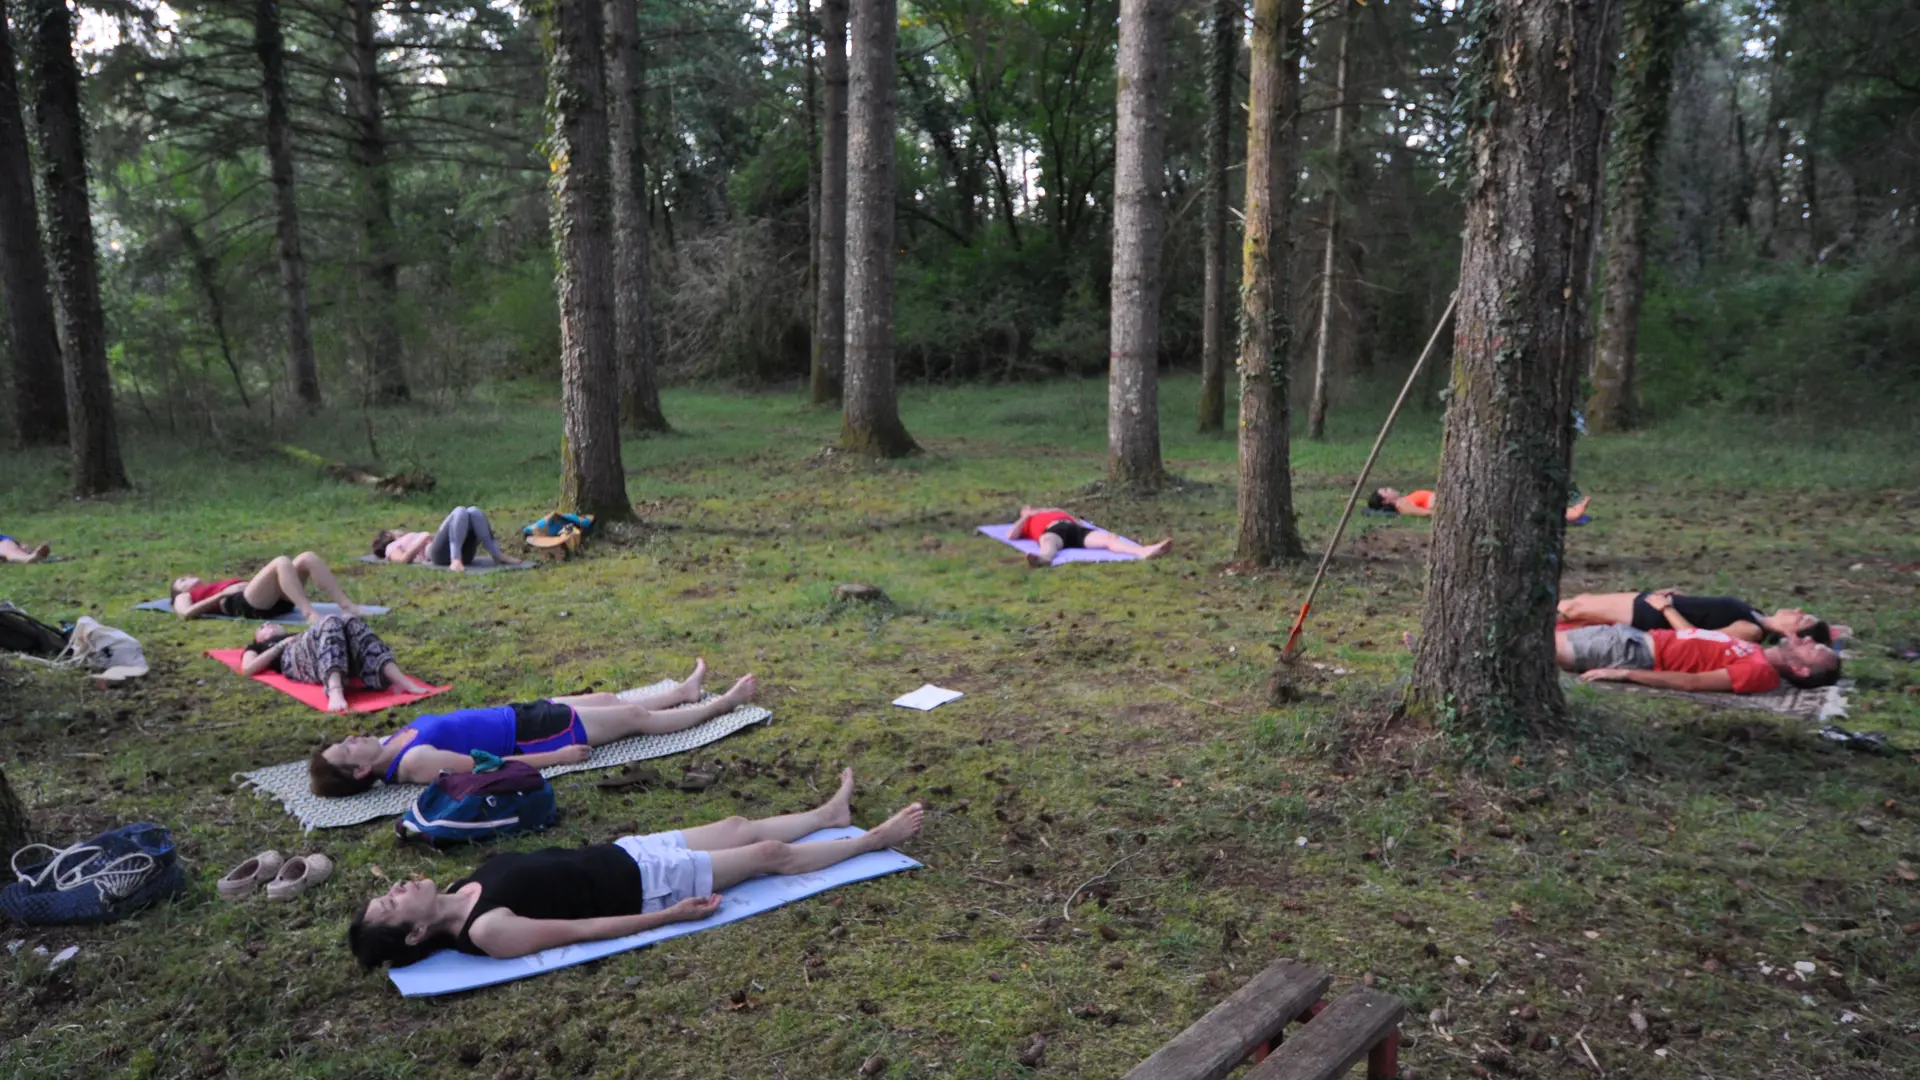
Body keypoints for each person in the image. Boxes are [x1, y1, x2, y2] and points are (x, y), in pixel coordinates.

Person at [346, 769, 922, 969]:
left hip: (627, 851)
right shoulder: (487, 931)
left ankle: (830, 813)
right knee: (769, 858)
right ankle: (872, 842)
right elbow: (585, 932)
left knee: (738, 825)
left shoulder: (457, 888)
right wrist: (670, 916)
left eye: (390, 891)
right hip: (647, 886)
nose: (397, 887)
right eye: (393, 903)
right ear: (416, 933)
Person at [309, 660, 757, 795]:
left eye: (344, 740)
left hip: (519, 712)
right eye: (346, 751)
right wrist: (555, 759)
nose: (351, 738)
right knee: (636, 720)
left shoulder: (389, 743)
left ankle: (682, 692)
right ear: (362, 772)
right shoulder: (415, 762)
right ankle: (724, 704)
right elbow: (488, 764)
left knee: (606, 700)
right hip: (534, 734)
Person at [1556, 590, 1840, 694]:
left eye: (1813, 649)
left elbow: (1692, 682)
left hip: (1633, 651)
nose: (1805, 642)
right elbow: (1695, 636)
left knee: (1531, 644)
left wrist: (1625, 674)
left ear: (1802, 670)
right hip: (1638, 638)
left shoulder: (1758, 671)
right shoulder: (1757, 652)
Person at [241, 615, 435, 713]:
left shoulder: (301, 633)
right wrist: (280, 645)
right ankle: (334, 688)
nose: (268, 625)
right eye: (262, 627)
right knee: (331, 620)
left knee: (348, 619)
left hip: (322, 650)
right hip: (292, 658)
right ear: (258, 639)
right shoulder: (259, 647)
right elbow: (248, 669)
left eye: (270, 623)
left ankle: (400, 679)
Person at [1557, 588, 1829, 645]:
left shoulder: (1753, 631)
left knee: (1572, 608)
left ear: (1792, 635)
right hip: (1657, 603)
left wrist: (1666, 608)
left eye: (1804, 620)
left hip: (1652, 615)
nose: (1799, 611)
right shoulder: (1755, 614)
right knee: (1582, 601)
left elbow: (1697, 638)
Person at [171, 552, 365, 621]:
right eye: (182, 581)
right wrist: (222, 595)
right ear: (179, 590)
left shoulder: (212, 585)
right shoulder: (184, 597)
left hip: (271, 600)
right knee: (281, 561)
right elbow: (185, 614)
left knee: (307, 558)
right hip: (243, 604)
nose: (187, 578)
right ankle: (310, 614)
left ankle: (347, 605)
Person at [1008, 505, 1170, 568]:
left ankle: (1144, 551)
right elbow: (1012, 535)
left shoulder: (1056, 511)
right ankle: (1044, 559)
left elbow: (1080, 523)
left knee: (1108, 540)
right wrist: (1026, 515)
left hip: (1074, 529)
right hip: (1053, 531)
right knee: (1048, 541)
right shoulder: (1027, 521)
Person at [373, 507, 525, 572]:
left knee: (473, 511)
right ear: (388, 535)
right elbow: (402, 560)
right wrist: (423, 538)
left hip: (459, 550)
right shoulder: (391, 547)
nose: (398, 529)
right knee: (459, 511)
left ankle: (497, 555)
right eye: (393, 530)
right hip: (435, 556)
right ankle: (455, 559)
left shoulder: (408, 536)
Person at [1368, 486, 1592, 522]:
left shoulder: (1406, 497)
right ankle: (1566, 515)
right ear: (1386, 500)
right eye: (1385, 490)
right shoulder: (1402, 504)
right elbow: (1426, 513)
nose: (1390, 488)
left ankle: (1564, 512)